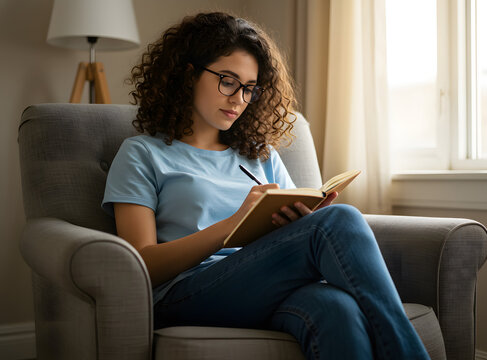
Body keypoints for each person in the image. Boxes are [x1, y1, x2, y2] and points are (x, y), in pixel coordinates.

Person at [102, 11, 430, 360]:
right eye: (227, 81)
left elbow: (299, 235)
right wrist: (233, 226)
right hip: (186, 293)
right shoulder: (142, 153)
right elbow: (141, 263)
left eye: (249, 89)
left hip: (264, 284)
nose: (238, 99)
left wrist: (302, 217)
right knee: (341, 221)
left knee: (337, 307)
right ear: (188, 74)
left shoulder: (261, 155)